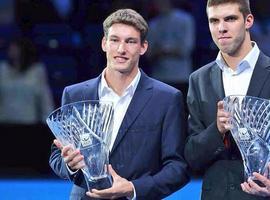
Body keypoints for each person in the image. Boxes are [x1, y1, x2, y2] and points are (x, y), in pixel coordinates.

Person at [49, 8, 190, 200]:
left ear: (143, 47)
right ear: (104, 43)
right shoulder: (75, 94)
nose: (121, 49)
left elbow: (177, 168)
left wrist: (133, 188)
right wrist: (70, 165)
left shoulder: (167, 98)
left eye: (130, 41)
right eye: (114, 40)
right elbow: (57, 157)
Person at [184, 0, 270, 199]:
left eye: (230, 19)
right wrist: (217, 130)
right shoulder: (199, 80)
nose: (221, 28)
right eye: (214, 21)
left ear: (248, 20)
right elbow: (192, 156)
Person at [0, 37, 54, 124]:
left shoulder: (37, 70)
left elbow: (45, 99)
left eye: (15, 47)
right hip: (4, 124)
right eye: (11, 47)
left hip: (28, 125)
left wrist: (48, 124)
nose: (12, 50)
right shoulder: (2, 69)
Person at [146, 0, 195, 87]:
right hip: (159, 78)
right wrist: (168, 50)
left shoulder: (185, 19)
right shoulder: (153, 24)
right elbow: (148, 53)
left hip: (181, 78)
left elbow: (186, 50)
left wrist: (162, 50)